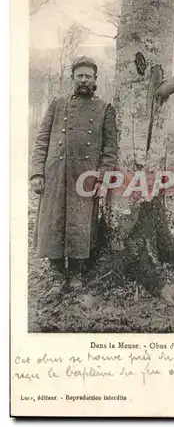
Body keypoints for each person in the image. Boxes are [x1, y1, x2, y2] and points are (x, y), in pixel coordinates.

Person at [30, 56, 118, 296]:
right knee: (54, 221)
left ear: (95, 79)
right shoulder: (57, 104)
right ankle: (57, 273)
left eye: (88, 75)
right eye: (79, 75)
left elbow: (110, 149)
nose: (83, 79)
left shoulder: (105, 109)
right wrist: (37, 172)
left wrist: (102, 178)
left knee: (81, 223)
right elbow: (41, 141)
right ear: (72, 78)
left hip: (85, 175)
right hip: (56, 172)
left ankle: (77, 272)